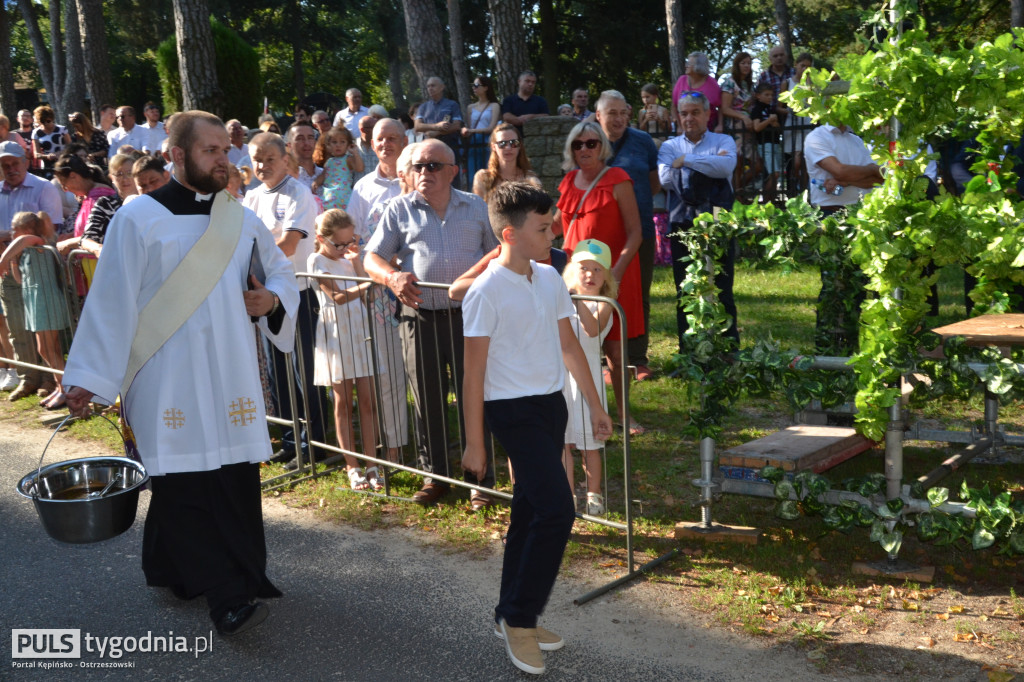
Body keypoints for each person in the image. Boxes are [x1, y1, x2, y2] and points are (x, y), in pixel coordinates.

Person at [63, 109, 298, 637]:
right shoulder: (137, 217)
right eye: (211, 150)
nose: (225, 159)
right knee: (183, 484)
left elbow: (283, 273)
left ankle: (179, 567)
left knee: (233, 477)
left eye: (225, 149)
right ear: (177, 155)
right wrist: (87, 376)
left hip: (231, 374)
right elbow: (111, 302)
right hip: (163, 375)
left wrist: (272, 298)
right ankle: (227, 597)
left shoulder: (238, 217)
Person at [460, 181, 612, 676]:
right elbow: (473, 374)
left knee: (528, 513)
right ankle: (521, 620)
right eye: (543, 228)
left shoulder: (548, 278)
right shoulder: (484, 291)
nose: (554, 234)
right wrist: (475, 443)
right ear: (509, 233)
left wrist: (594, 404)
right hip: (512, 412)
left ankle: (509, 612)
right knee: (556, 510)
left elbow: (569, 346)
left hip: (551, 408)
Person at [363, 139, 499, 509]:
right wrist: (391, 277)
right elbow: (371, 257)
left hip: (470, 320)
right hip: (418, 317)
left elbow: (498, 253)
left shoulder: (476, 207)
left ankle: (480, 480)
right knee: (427, 398)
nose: (425, 173)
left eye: (434, 166)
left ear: (453, 171)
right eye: (419, 166)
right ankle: (435, 476)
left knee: (476, 397)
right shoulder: (397, 209)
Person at [245, 131, 329, 469]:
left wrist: (254, 267)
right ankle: (292, 441)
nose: (262, 165)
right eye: (256, 159)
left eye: (269, 159)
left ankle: (317, 444)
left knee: (303, 373)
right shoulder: (250, 198)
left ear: (285, 158)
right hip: (267, 295)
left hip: (297, 293)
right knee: (278, 374)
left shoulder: (299, 193)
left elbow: (290, 244)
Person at [553, 122, 644, 434]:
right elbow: (555, 227)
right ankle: (580, 411)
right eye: (578, 144)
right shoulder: (567, 182)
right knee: (574, 344)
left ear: (602, 146)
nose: (584, 150)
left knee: (616, 352)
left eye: (591, 143)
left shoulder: (618, 180)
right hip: (576, 278)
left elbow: (636, 234)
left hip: (614, 275)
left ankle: (624, 414)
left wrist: (615, 274)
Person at [347, 118, 410, 464]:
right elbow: (355, 240)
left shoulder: (417, 179)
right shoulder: (362, 188)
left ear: (404, 140)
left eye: (392, 138)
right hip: (379, 292)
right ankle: (396, 446)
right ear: (372, 145)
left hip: (416, 288)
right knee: (387, 372)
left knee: (420, 372)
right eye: (379, 139)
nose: (386, 144)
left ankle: (432, 443)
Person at [657, 91, 739, 351]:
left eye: (695, 112)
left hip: (718, 223)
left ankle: (727, 349)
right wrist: (706, 165)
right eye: (684, 113)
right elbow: (665, 179)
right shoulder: (670, 146)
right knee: (685, 289)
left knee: (722, 287)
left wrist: (687, 162)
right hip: (683, 225)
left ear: (707, 114)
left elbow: (725, 167)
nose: (689, 118)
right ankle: (689, 351)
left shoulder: (723, 139)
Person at [308, 209, 383, 491]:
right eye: (338, 244)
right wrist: (366, 283)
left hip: (359, 329)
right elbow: (338, 296)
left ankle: (372, 464)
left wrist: (359, 265)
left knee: (367, 402)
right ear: (321, 238)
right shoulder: (316, 259)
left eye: (349, 242)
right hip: (336, 333)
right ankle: (352, 466)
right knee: (342, 403)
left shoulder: (349, 258)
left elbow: (369, 293)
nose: (344, 249)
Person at [594, 90, 660, 382]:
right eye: (612, 113)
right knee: (597, 293)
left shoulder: (643, 141)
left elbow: (653, 184)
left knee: (638, 295)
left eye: (623, 112)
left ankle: (637, 359)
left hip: (640, 231)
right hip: (600, 236)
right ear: (599, 115)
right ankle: (602, 357)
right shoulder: (589, 142)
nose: (619, 118)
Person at [0, 141, 62, 401]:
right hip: (11, 271)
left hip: (38, 272)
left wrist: (7, 247)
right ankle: (27, 378)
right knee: (16, 326)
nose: (10, 168)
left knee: (45, 334)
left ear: (26, 161)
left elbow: (50, 229)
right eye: (4, 165)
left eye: (14, 162)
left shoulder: (43, 187)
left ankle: (51, 380)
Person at [560, 238, 615, 516]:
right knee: (563, 441)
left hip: (590, 379)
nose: (590, 275)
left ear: (606, 276)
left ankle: (594, 494)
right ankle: (566, 494)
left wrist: (577, 301)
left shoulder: (604, 304)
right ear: (572, 270)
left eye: (597, 270)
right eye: (584, 269)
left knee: (590, 444)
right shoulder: (561, 300)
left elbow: (592, 330)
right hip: (561, 378)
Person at [0, 211, 70, 408]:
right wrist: (13, 261)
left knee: (50, 348)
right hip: (34, 299)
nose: (12, 233)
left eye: (15, 229)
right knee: (44, 348)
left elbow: (22, 240)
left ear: (28, 229)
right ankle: (60, 386)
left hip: (46, 298)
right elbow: (20, 280)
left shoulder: (38, 242)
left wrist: (3, 259)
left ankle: (66, 389)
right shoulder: (26, 250)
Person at [52, 154, 116, 256]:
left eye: (64, 184)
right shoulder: (90, 196)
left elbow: (97, 235)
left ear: (73, 176)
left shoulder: (99, 197)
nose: (65, 190)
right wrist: (71, 236)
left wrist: (67, 243)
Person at [472, 123, 541, 202]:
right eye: (502, 144)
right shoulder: (482, 178)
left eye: (513, 143)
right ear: (493, 147)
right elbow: (477, 210)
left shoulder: (530, 179)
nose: (508, 148)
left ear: (520, 145)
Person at [718, 52, 756, 189]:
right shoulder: (729, 83)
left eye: (749, 63)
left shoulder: (750, 84)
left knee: (757, 164)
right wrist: (742, 117)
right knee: (737, 163)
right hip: (735, 127)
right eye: (743, 63)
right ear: (737, 65)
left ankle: (739, 189)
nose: (747, 66)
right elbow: (725, 108)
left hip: (749, 128)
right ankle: (737, 197)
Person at [781, 53, 814, 193]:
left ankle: (806, 191)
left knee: (807, 161)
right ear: (796, 65)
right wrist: (790, 111)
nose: (805, 69)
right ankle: (794, 187)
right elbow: (779, 106)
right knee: (796, 160)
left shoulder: (812, 84)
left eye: (808, 66)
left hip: (808, 123)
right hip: (792, 123)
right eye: (802, 65)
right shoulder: (787, 83)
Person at [311, 126, 364, 210]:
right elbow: (324, 175)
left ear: (348, 145)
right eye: (334, 142)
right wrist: (316, 182)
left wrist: (355, 153)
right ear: (328, 145)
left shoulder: (348, 159)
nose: (338, 145)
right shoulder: (329, 162)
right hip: (328, 197)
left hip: (344, 198)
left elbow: (359, 168)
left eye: (342, 142)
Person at [463, 75, 501, 181]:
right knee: (473, 174)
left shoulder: (494, 106)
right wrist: (466, 131)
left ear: (486, 87)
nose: (473, 88)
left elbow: (492, 127)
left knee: (489, 173)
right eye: (472, 85)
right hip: (474, 142)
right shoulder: (470, 107)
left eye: (476, 85)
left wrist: (471, 130)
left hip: (488, 141)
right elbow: (470, 127)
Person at [671, 52, 721, 130]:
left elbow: (720, 106)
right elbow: (674, 106)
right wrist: (679, 126)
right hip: (685, 127)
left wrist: (720, 125)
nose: (686, 65)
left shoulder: (711, 84)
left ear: (699, 66)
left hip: (708, 128)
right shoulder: (682, 80)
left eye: (689, 63)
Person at [749, 82, 782, 203]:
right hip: (765, 144)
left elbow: (779, 129)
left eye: (771, 95)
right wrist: (769, 121)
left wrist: (775, 123)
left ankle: (771, 202)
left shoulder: (771, 109)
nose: (769, 97)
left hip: (775, 143)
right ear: (758, 95)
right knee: (774, 174)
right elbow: (756, 127)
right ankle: (767, 202)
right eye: (766, 94)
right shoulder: (757, 109)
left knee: (775, 174)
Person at [414, 77, 464, 154]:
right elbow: (417, 126)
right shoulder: (423, 107)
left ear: (442, 87)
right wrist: (437, 126)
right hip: (429, 147)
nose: (430, 88)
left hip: (449, 146)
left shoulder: (452, 105)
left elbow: (456, 126)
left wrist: (437, 133)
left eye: (433, 86)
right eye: (428, 86)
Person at [757, 44, 796, 120]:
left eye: (781, 55)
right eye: (775, 56)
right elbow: (758, 98)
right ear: (770, 59)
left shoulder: (794, 73)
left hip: (792, 116)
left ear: (786, 56)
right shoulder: (764, 76)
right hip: (770, 117)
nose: (779, 58)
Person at [285, 122, 322, 191]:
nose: (306, 143)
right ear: (290, 145)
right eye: (300, 139)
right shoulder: (287, 179)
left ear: (315, 142)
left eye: (310, 138)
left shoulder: (326, 173)